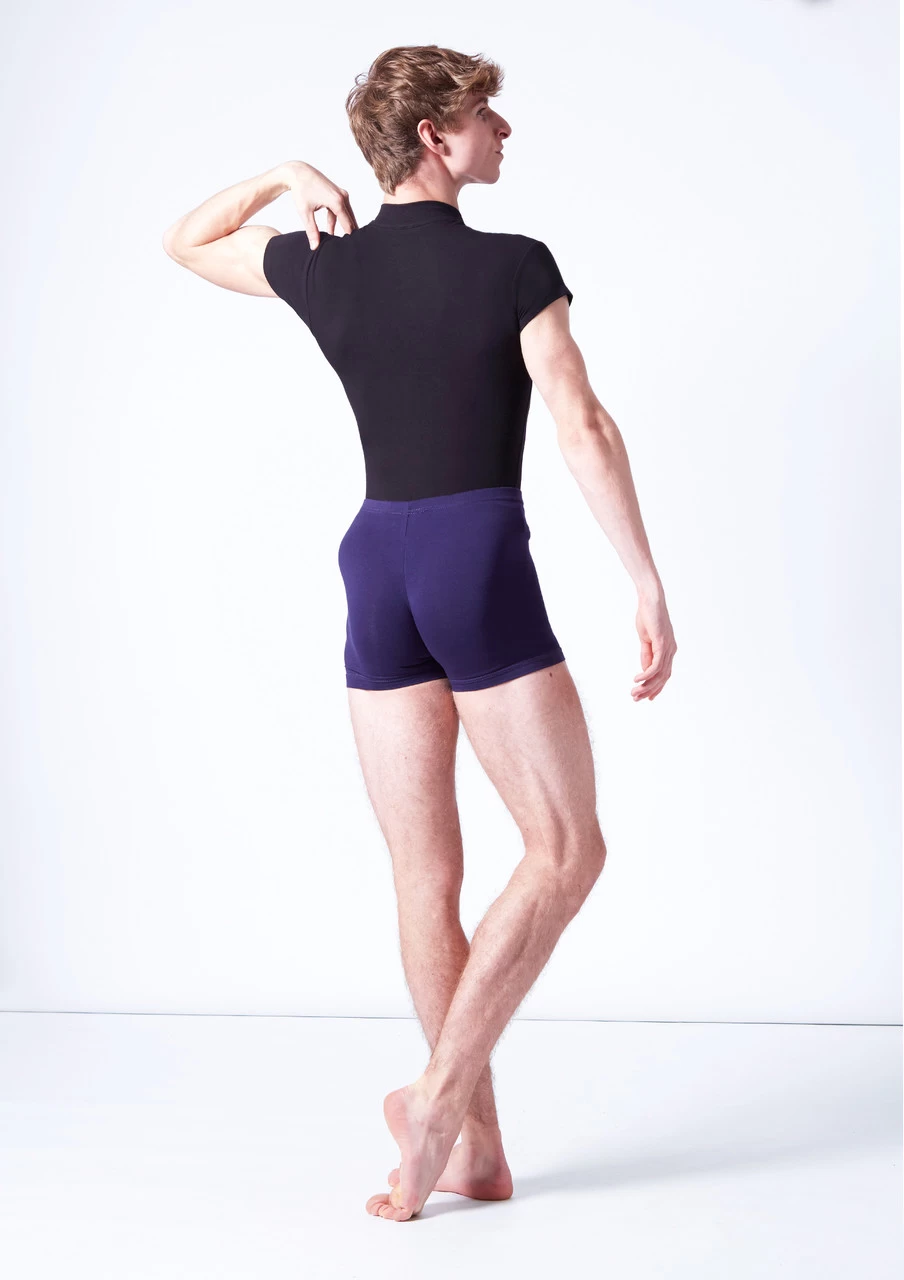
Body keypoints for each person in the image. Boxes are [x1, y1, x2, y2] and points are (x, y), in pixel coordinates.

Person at [162, 44, 677, 1222]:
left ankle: (476, 1151)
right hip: (472, 552)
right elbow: (583, 423)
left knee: (422, 871)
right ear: (437, 138)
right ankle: (439, 1099)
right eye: (489, 114)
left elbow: (185, 242)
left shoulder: (322, 264)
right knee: (565, 848)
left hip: (375, 563)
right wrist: (644, 579)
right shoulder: (513, 265)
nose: (506, 131)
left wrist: (284, 176)